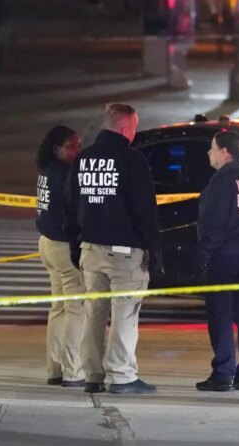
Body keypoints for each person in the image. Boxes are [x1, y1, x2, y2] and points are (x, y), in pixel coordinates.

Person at [63, 103, 164, 395]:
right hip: (125, 253)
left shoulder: (83, 159)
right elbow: (145, 211)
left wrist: (75, 246)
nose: (134, 133)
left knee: (94, 312)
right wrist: (154, 249)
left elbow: (70, 208)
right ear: (124, 129)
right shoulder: (132, 161)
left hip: (90, 249)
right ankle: (121, 376)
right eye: (133, 127)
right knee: (125, 313)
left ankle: (93, 374)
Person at [195, 131, 239, 392]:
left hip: (223, 256)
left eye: (212, 147)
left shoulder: (221, 182)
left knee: (220, 315)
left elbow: (213, 226)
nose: (209, 152)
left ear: (225, 152)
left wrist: (202, 258)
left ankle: (223, 372)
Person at [35, 125, 86, 388]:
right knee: (75, 310)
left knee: (58, 309)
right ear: (57, 149)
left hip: (48, 244)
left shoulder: (47, 171)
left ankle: (54, 368)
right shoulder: (67, 175)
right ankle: (73, 370)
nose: (77, 150)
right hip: (65, 248)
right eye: (72, 146)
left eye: (79, 144)